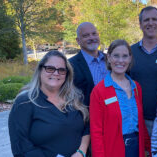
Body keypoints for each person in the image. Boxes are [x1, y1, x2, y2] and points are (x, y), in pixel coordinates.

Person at [8, 51, 89, 157]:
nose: (56, 73)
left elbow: (87, 126)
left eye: (61, 70)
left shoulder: (75, 97)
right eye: (50, 68)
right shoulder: (25, 102)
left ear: (67, 74)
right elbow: (21, 146)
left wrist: (81, 152)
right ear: (40, 70)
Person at [90, 40, 151, 157]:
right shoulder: (99, 91)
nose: (120, 61)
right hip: (114, 149)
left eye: (125, 56)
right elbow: (96, 132)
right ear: (109, 58)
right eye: (116, 56)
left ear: (130, 59)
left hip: (137, 148)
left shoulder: (136, 87)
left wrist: (148, 147)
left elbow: (141, 122)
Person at [130, 6, 157, 136]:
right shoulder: (129, 53)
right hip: (135, 121)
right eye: (146, 20)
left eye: (154, 19)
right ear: (140, 24)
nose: (150, 23)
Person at [69, 22, 109, 156]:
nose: (92, 37)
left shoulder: (111, 60)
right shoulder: (71, 65)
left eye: (94, 34)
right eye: (86, 35)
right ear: (78, 41)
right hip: (88, 127)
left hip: (115, 122)